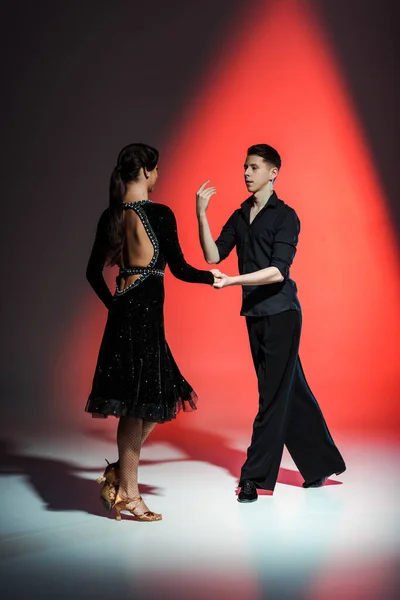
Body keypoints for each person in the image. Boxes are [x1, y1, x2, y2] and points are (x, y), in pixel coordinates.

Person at [196, 143, 346, 502]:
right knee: (289, 390)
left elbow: (278, 272)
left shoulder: (286, 216)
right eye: (245, 167)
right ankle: (320, 463)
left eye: (254, 167)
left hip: (282, 314)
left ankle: (255, 478)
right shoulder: (240, 214)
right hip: (255, 315)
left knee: (271, 396)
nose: (246, 173)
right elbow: (213, 254)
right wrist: (201, 213)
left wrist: (231, 281)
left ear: (272, 172)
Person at [86, 143, 220, 520]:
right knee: (137, 407)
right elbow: (178, 268)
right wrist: (213, 278)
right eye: (156, 169)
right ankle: (129, 493)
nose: (158, 176)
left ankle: (120, 474)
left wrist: (116, 307)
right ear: (145, 171)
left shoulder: (110, 216)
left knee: (151, 401)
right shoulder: (159, 214)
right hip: (142, 320)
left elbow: (92, 273)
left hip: (128, 317)